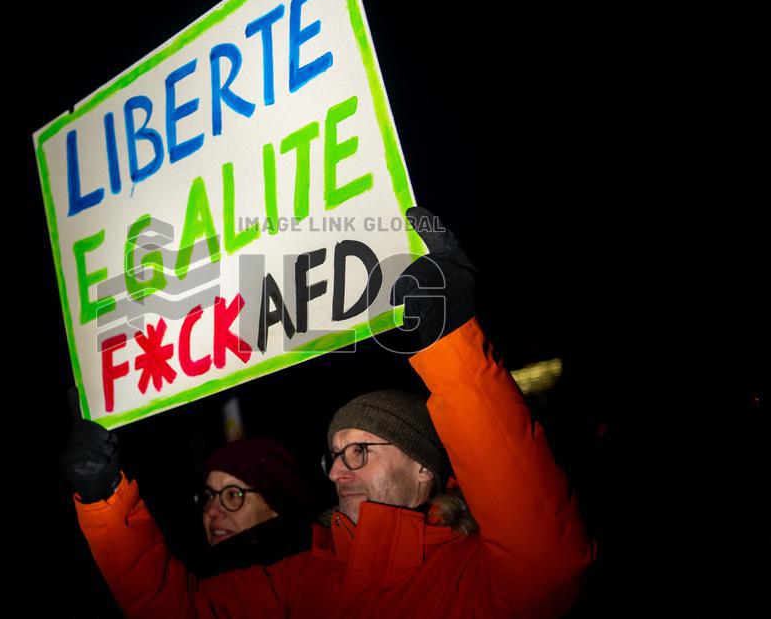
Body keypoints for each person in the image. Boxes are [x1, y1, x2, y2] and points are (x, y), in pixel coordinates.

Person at [60, 207, 595, 618]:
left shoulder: (470, 579)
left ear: (424, 467)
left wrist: (452, 342)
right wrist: (106, 502)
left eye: (359, 451)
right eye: (335, 456)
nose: (337, 472)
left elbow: (547, 561)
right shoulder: (300, 584)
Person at [190, 436, 315, 577]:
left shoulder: (312, 576)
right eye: (209, 497)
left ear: (275, 506)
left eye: (233, 495)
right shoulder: (195, 582)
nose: (212, 511)